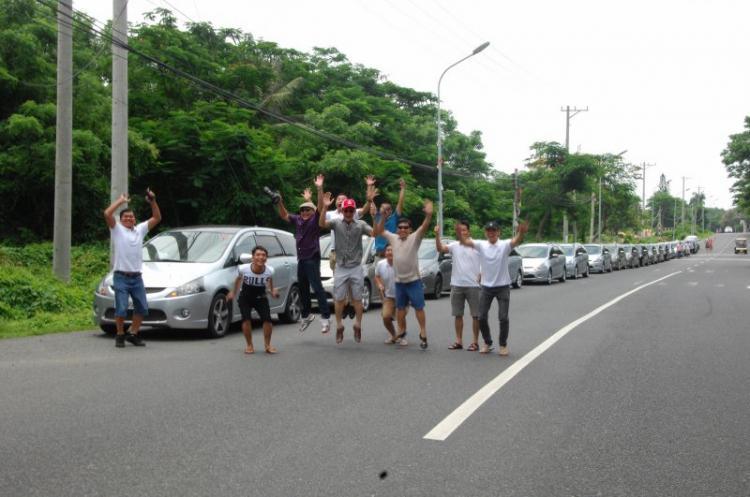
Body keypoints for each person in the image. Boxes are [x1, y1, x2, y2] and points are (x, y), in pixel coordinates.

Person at [317, 175, 379, 344]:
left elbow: (374, 233)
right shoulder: (336, 223)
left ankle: (357, 325)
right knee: (338, 299)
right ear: (342, 211)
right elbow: (322, 223)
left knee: (357, 300)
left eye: (352, 211)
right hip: (340, 266)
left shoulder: (360, 225)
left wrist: (374, 218)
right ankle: (339, 326)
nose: (350, 213)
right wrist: (324, 206)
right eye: (347, 210)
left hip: (356, 267)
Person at [455, 220, 529, 356]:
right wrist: (459, 233)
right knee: (481, 316)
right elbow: (466, 242)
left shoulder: (504, 245)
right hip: (486, 287)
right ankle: (487, 342)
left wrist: (521, 232)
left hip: (502, 286)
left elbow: (515, 241)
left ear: (498, 232)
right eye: (489, 231)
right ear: (486, 233)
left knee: (503, 317)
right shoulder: (481, 245)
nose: (491, 233)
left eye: (494, 230)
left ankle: (503, 345)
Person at [103, 189, 162, 348]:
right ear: (121, 220)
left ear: (134, 219)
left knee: (142, 307)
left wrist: (153, 201)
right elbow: (107, 214)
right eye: (125, 217)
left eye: (131, 217)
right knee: (121, 309)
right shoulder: (117, 230)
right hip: (121, 276)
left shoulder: (140, 230)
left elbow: (157, 217)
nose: (129, 219)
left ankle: (133, 333)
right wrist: (120, 202)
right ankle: (120, 334)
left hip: (136, 277)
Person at [275, 182, 332, 333]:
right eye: (302, 210)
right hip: (301, 259)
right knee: (302, 288)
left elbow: (320, 205)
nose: (305, 212)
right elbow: (284, 215)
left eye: (308, 210)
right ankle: (306, 315)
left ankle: (326, 317)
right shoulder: (298, 220)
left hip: (312, 258)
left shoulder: (315, 221)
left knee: (317, 287)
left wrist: (319, 188)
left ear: (313, 212)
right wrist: (279, 202)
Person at [376, 199, 434, 350]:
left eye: (405, 228)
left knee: (418, 308)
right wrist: (382, 217)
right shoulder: (393, 238)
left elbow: (424, 227)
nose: (402, 230)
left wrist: (428, 215)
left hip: (413, 281)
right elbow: (381, 231)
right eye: (400, 227)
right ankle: (401, 332)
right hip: (399, 282)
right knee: (400, 309)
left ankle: (423, 332)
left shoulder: (415, 238)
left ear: (410, 229)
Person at [325, 176, 376, 318]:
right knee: (339, 281)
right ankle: (345, 303)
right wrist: (318, 199)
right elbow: (318, 215)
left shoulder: (353, 216)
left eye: (344, 199)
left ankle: (352, 304)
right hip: (335, 252)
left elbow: (366, 208)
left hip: (353, 257)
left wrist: (369, 188)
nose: (341, 201)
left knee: (351, 279)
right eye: (339, 199)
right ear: (336, 202)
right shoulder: (332, 215)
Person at [435, 221, 481, 351]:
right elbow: (440, 249)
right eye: (460, 230)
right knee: (458, 314)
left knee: (475, 315)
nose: (462, 232)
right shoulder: (454, 245)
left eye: (464, 230)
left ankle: (475, 342)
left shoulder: (476, 245)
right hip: (457, 285)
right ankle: (459, 341)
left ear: (469, 231)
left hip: (473, 285)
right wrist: (437, 235)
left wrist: (482, 272)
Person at [227, 246, 280, 355]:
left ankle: (267, 345)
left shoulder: (270, 270)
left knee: (268, 320)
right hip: (246, 296)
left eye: (263, 255)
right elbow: (238, 279)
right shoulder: (244, 269)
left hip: (261, 296)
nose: (261, 257)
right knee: (246, 319)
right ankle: (249, 345)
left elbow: (269, 278)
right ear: (252, 258)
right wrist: (234, 292)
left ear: (266, 259)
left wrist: (272, 289)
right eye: (258, 255)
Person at [374, 245, 409, 345]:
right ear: (385, 253)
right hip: (389, 296)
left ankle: (402, 337)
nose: (390, 252)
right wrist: (380, 284)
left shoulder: (402, 264)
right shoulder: (381, 264)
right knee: (386, 316)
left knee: (400, 316)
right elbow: (377, 276)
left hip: (402, 295)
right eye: (388, 250)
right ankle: (394, 335)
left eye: (392, 250)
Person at [373, 178, 406, 262]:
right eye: (382, 208)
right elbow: (370, 202)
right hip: (379, 256)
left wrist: (403, 188)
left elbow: (400, 203)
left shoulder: (394, 218)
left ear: (391, 211)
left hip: (392, 256)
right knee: (378, 275)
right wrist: (369, 186)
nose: (384, 210)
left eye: (387, 209)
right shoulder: (377, 217)